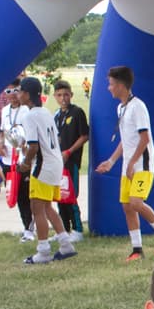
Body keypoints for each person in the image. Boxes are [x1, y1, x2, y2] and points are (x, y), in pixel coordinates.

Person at [95, 65, 154, 262]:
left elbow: (144, 139)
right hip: (128, 164)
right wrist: (111, 161)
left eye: (111, 84)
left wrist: (131, 163)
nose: (109, 88)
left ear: (121, 85)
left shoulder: (138, 107)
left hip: (142, 164)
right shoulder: (121, 108)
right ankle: (137, 249)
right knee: (127, 206)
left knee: (136, 202)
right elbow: (125, 140)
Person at [17, 76, 76, 264]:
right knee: (47, 206)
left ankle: (43, 251)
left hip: (42, 166)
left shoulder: (29, 116)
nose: (18, 94)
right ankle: (66, 244)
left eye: (20, 91)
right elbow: (55, 139)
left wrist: (26, 163)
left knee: (37, 208)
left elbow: (34, 146)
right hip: (55, 163)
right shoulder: (46, 113)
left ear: (27, 94)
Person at [53, 78, 89, 241]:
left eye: (66, 94)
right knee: (60, 196)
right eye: (59, 95)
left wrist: (69, 151)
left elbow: (84, 136)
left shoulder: (77, 112)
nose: (63, 98)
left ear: (71, 95)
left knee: (71, 195)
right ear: (55, 96)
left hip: (71, 161)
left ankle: (77, 230)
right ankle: (63, 230)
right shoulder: (56, 115)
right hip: (58, 163)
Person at [0, 78, 34, 240]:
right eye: (8, 91)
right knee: (14, 193)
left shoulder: (26, 110)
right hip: (8, 159)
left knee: (24, 195)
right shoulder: (5, 110)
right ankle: (26, 226)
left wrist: (26, 150)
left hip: (24, 159)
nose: (12, 95)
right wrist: (0, 142)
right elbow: (2, 130)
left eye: (16, 91)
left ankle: (30, 229)